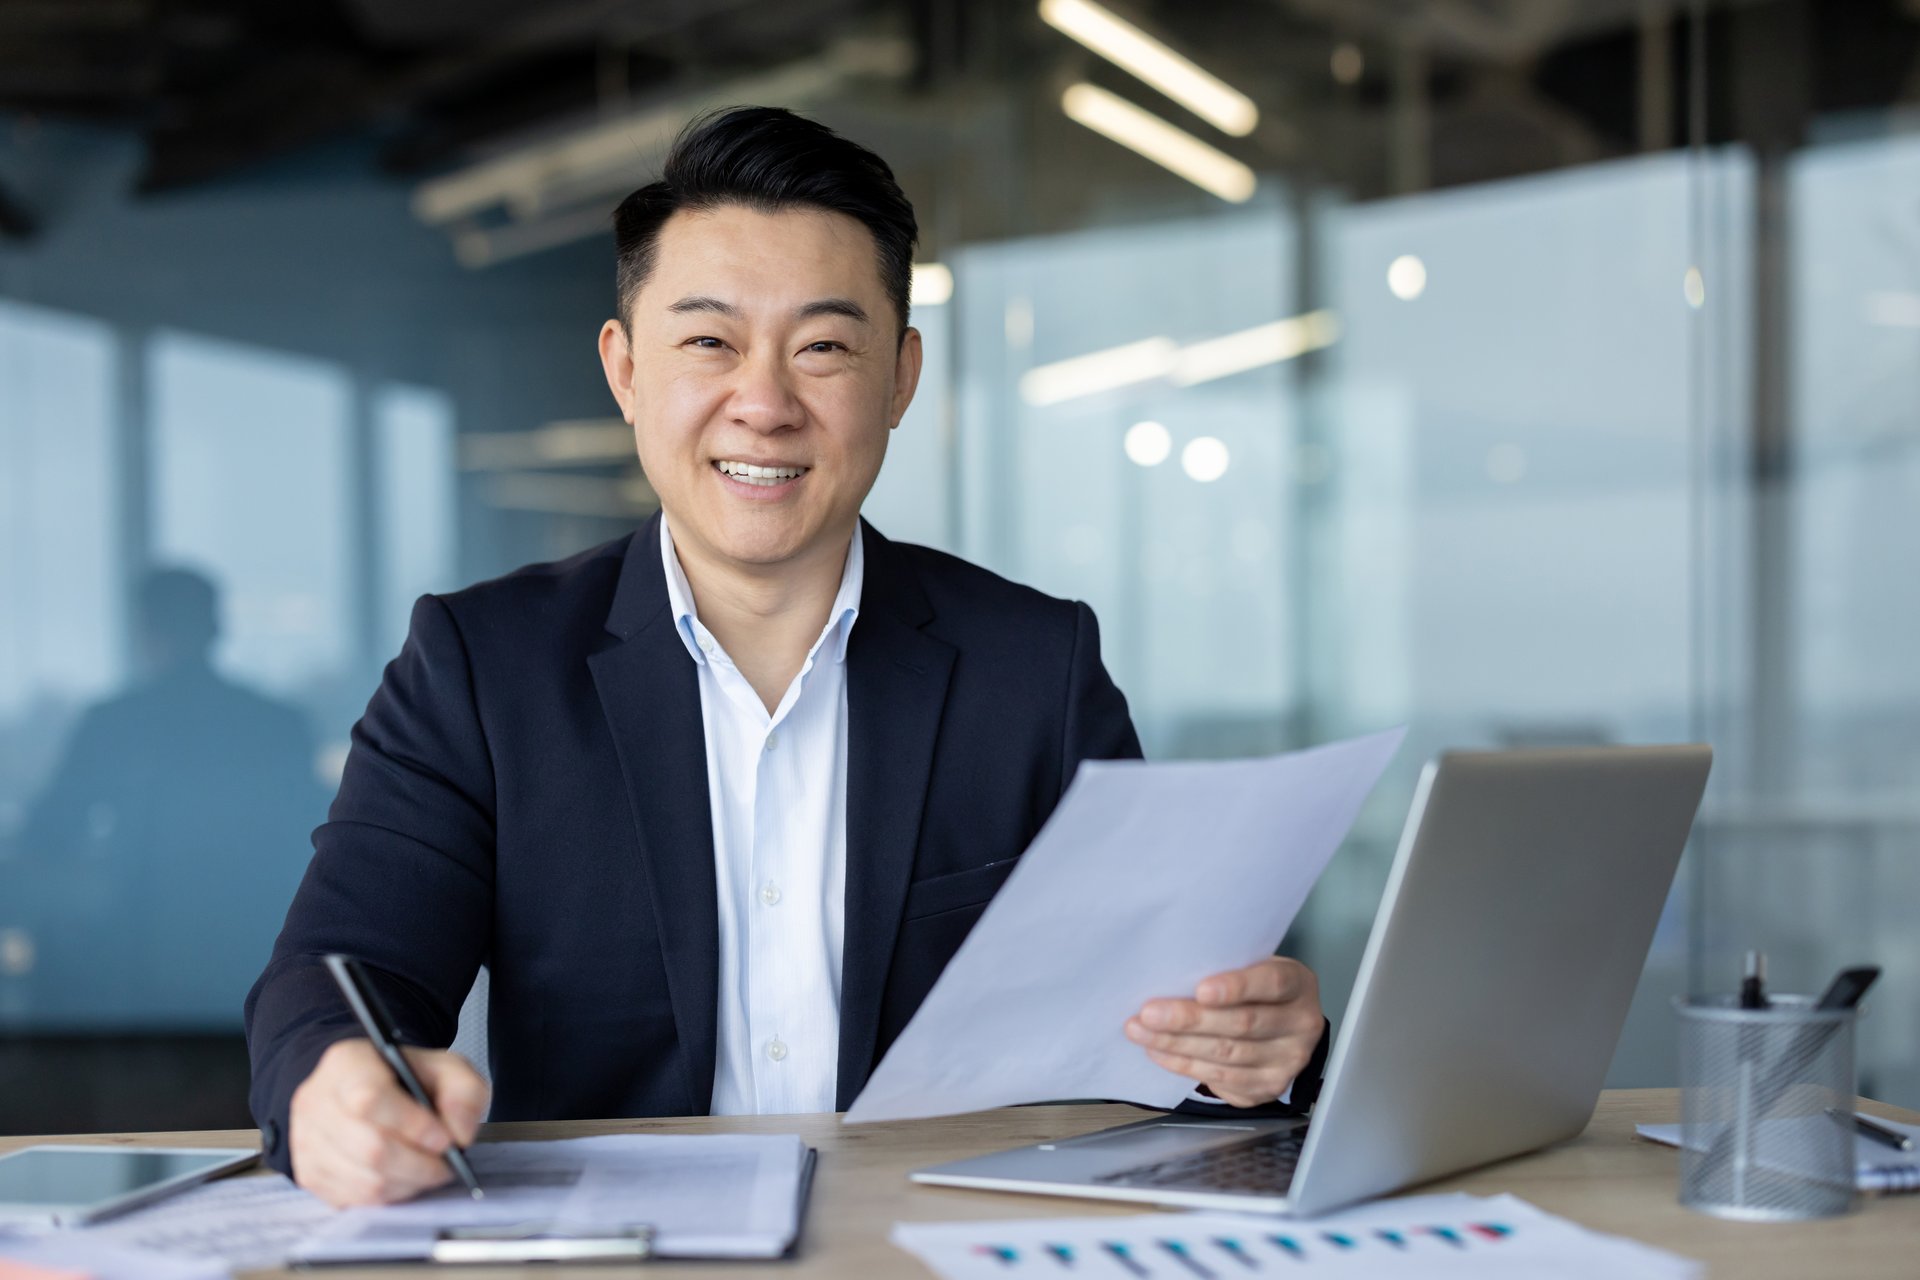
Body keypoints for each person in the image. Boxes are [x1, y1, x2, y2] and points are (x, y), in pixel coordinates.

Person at [245, 106, 1331, 1208]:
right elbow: (341, 971)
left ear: (901, 377)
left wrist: (1257, 1050)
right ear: (625, 369)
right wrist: (331, 1086)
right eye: (709, 342)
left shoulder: (1035, 668)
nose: (762, 404)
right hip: (613, 1251)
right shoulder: (481, 666)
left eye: (823, 347)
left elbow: (1176, 1038)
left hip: (928, 1248)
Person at [22, 567, 319, 1024]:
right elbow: (312, 838)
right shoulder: (276, 725)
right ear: (217, 628)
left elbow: (48, 833)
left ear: (143, 630)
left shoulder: (115, 724)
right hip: (256, 954)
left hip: (136, 961)